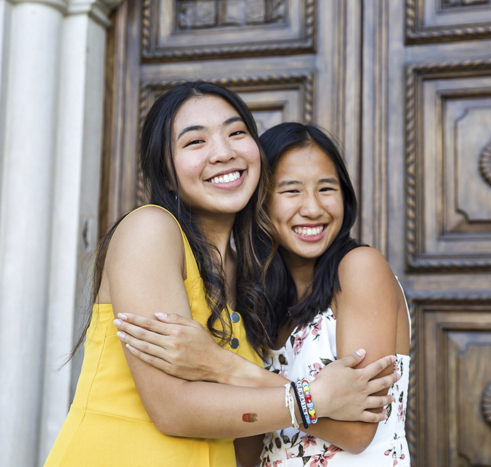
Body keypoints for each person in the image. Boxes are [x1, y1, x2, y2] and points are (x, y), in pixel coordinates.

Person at [45, 83, 400, 467]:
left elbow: (247, 437)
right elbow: (172, 408)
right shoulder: (150, 230)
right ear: (165, 173)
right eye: (195, 142)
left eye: (236, 133)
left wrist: (226, 367)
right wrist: (311, 398)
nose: (223, 152)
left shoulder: (251, 276)